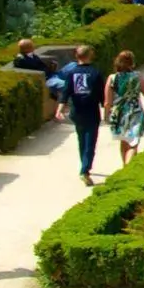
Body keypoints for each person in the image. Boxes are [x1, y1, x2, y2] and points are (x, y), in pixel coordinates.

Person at [57, 45, 106, 185]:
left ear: (77, 56)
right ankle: (85, 170)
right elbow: (101, 94)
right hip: (91, 111)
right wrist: (107, 109)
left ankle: (84, 165)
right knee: (90, 141)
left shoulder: (72, 73)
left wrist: (60, 109)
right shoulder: (95, 73)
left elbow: (66, 92)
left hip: (77, 111)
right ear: (90, 55)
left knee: (81, 140)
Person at [103, 50, 144, 168]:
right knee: (133, 143)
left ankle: (125, 167)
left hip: (119, 113)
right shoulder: (137, 76)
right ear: (132, 62)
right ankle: (128, 166)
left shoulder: (112, 78)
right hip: (135, 112)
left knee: (124, 141)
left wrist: (106, 116)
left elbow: (107, 101)